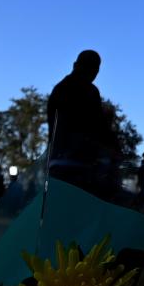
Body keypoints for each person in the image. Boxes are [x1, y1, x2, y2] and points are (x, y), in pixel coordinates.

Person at [46, 49, 111, 194]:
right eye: (90, 67)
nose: (93, 73)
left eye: (94, 68)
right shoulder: (89, 91)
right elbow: (99, 128)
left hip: (59, 163)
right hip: (78, 167)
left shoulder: (60, 89)